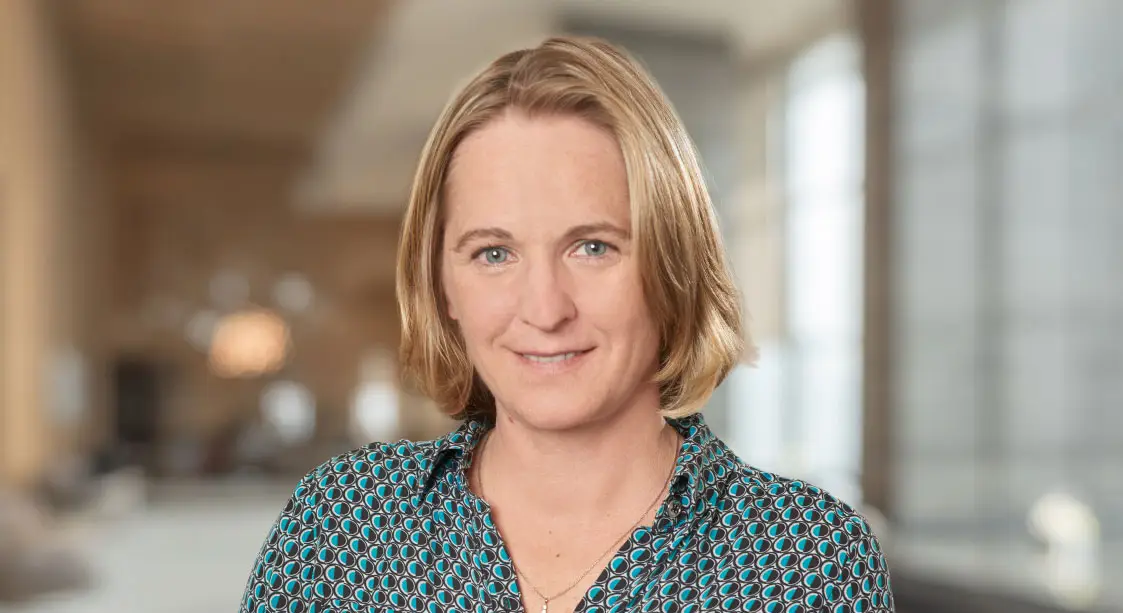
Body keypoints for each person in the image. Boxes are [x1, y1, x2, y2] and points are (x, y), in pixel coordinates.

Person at [240, 35, 894, 613]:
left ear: (672, 262)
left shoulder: (807, 563)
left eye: (592, 246)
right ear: (443, 285)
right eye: (493, 253)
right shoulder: (341, 527)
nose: (545, 308)